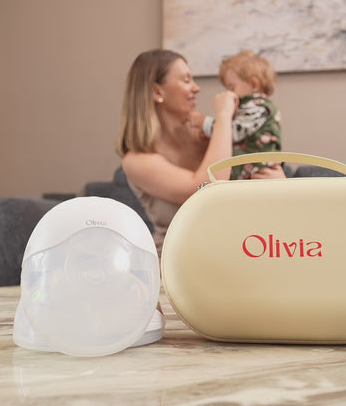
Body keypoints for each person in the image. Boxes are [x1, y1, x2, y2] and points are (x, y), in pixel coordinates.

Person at [116, 49, 285, 255]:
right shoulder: (137, 161)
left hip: (234, 254)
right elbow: (209, 188)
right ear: (157, 92)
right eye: (186, 80)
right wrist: (224, 115)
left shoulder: (209, 135)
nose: (196, 88)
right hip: (176, 262)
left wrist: (279, 186)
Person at [200, 50, 282, 180]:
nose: (229, 93)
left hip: (256, 174)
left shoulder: (258, 107)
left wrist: (204, 123)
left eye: (232, 87)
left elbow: (234, 131)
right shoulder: (248, 107)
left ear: (254, 85)